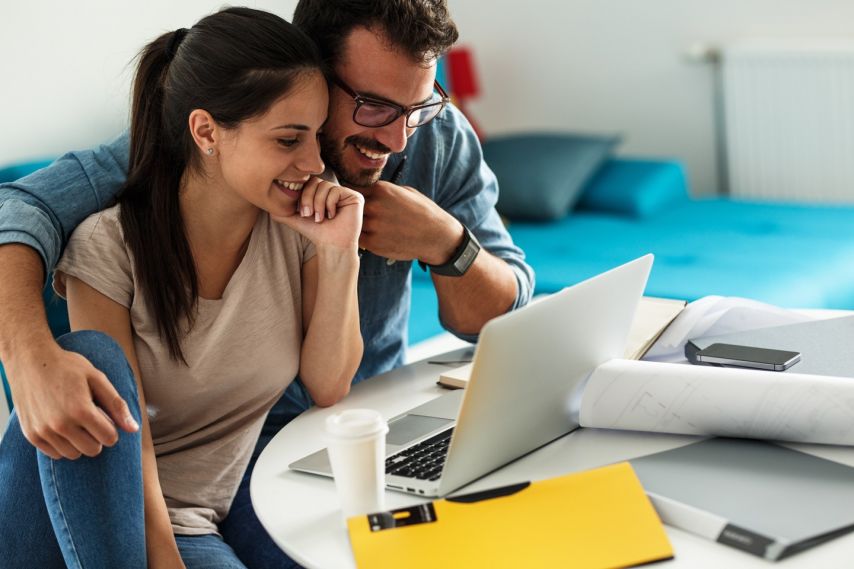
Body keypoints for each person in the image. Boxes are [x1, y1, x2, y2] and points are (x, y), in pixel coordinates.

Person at [0, 0, 534, 567]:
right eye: (375, 106)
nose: (400, 138)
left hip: (343, 424)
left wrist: (446, 243)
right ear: (315, 82)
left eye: (418, 107)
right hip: (214, 469)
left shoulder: (414, 152)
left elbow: (506, 311)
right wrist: (26, 354)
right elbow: (20, 206)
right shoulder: (175, 158)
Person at [0, 6, 364, 569]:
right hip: (104, 518)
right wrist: (166, 560)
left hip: (199, 518)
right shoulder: (109, 244)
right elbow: (131, 435)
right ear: (206, 132)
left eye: (316, 136)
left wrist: (340, 253)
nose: (314, 162)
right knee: (90, 357)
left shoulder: (297, 232)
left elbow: (329, 385)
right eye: (289, 139)